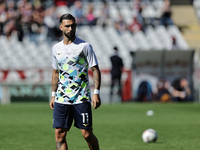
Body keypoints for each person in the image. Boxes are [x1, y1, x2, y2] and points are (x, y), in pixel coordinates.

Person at [49, 13, 101, 150]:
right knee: (59, 135)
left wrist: (96, 93)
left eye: (73, 26)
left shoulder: (84, 46)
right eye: (67, 26)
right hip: (61, 98)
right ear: (61, 27)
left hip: (81, 97)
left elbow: (95, 69)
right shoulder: (56, 48)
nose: (70, 29)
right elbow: (55, 72)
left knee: (86, 134)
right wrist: (53, 95)